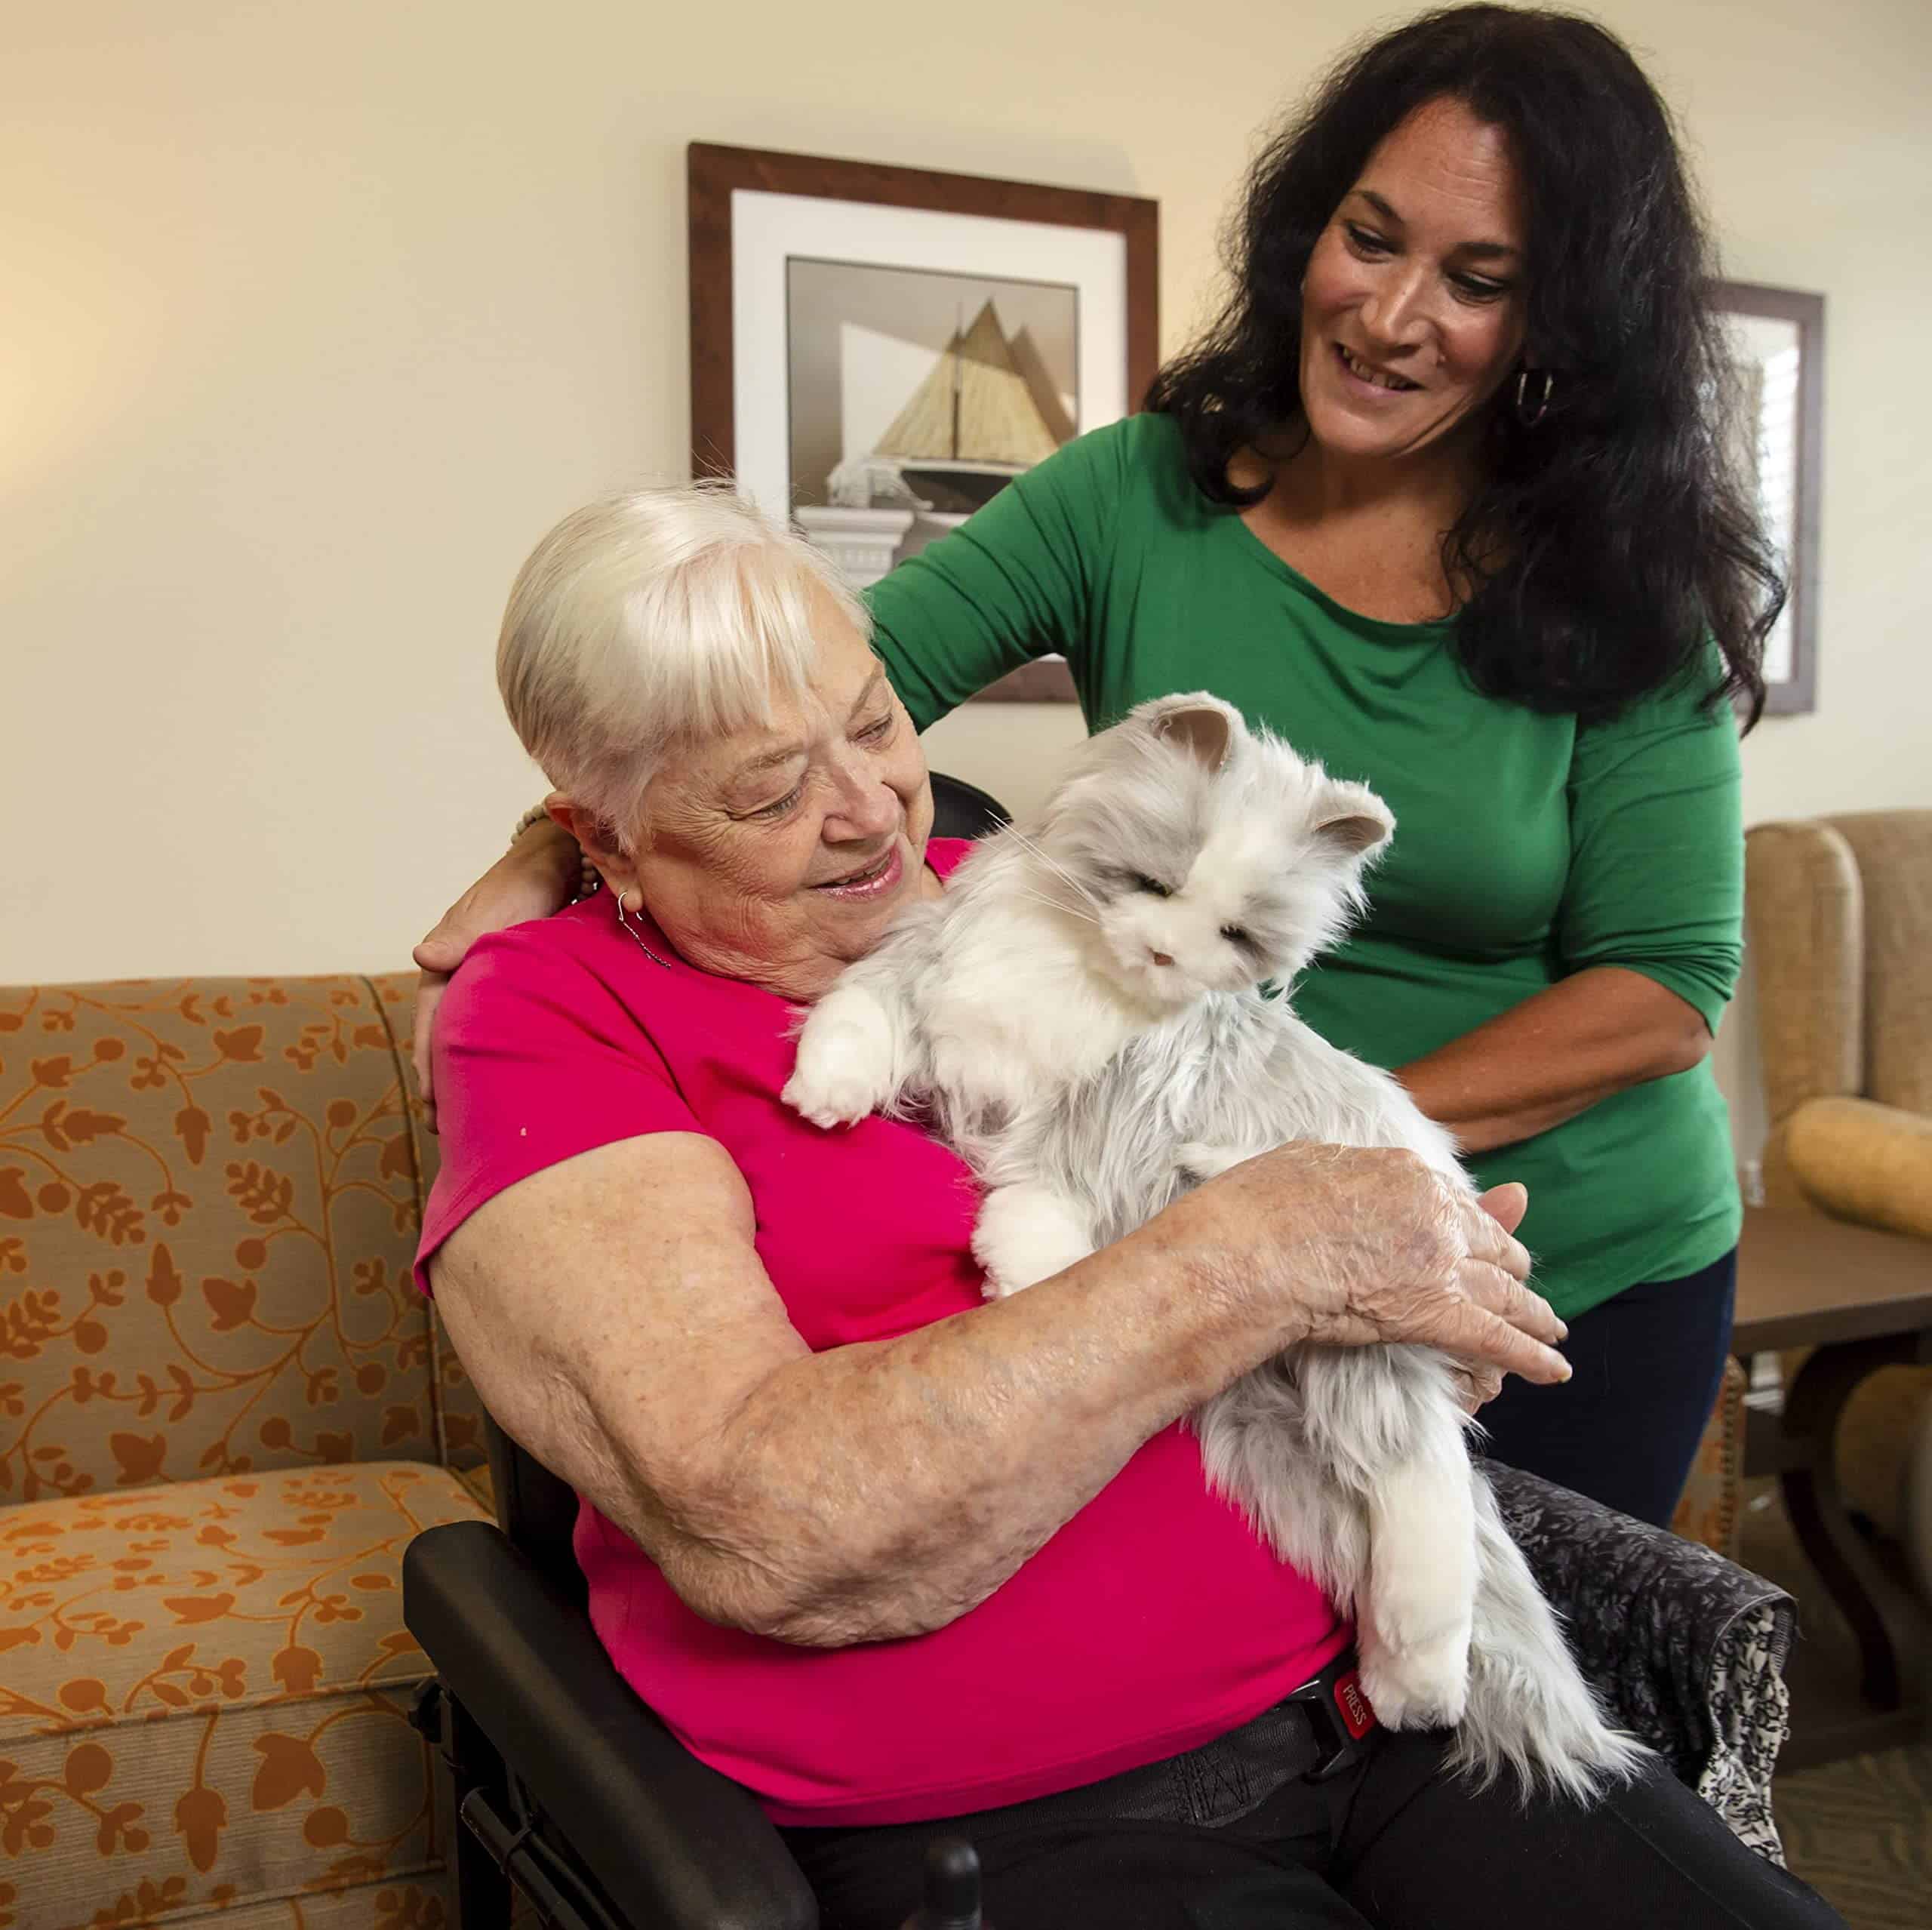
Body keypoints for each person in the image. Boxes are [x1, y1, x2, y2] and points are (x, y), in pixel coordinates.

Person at [420, 5, 1780, 1531]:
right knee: (1275, 1703)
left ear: (1557, 328)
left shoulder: (1620, 587)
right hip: (1219, 1222)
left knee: (1533, 1704)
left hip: (1557, 1253)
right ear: (1302, 228)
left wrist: (1315, 1150)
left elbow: (1662, 992)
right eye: (1368, 235)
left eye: (1474, 282)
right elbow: (794, 706)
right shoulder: (1131, 496)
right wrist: (565, 844)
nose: (1392, 315)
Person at [420, 482, 1835, 1929]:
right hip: (1010, 1827)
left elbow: (1301, 1146)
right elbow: (764, 1517)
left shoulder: (1044, 902)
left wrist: (1407, 1314)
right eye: (770, 791)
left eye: (876, 723)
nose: (868, 814)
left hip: (1381, 1714)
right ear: (605, 835)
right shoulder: (548, 1016)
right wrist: (1255, 1260)